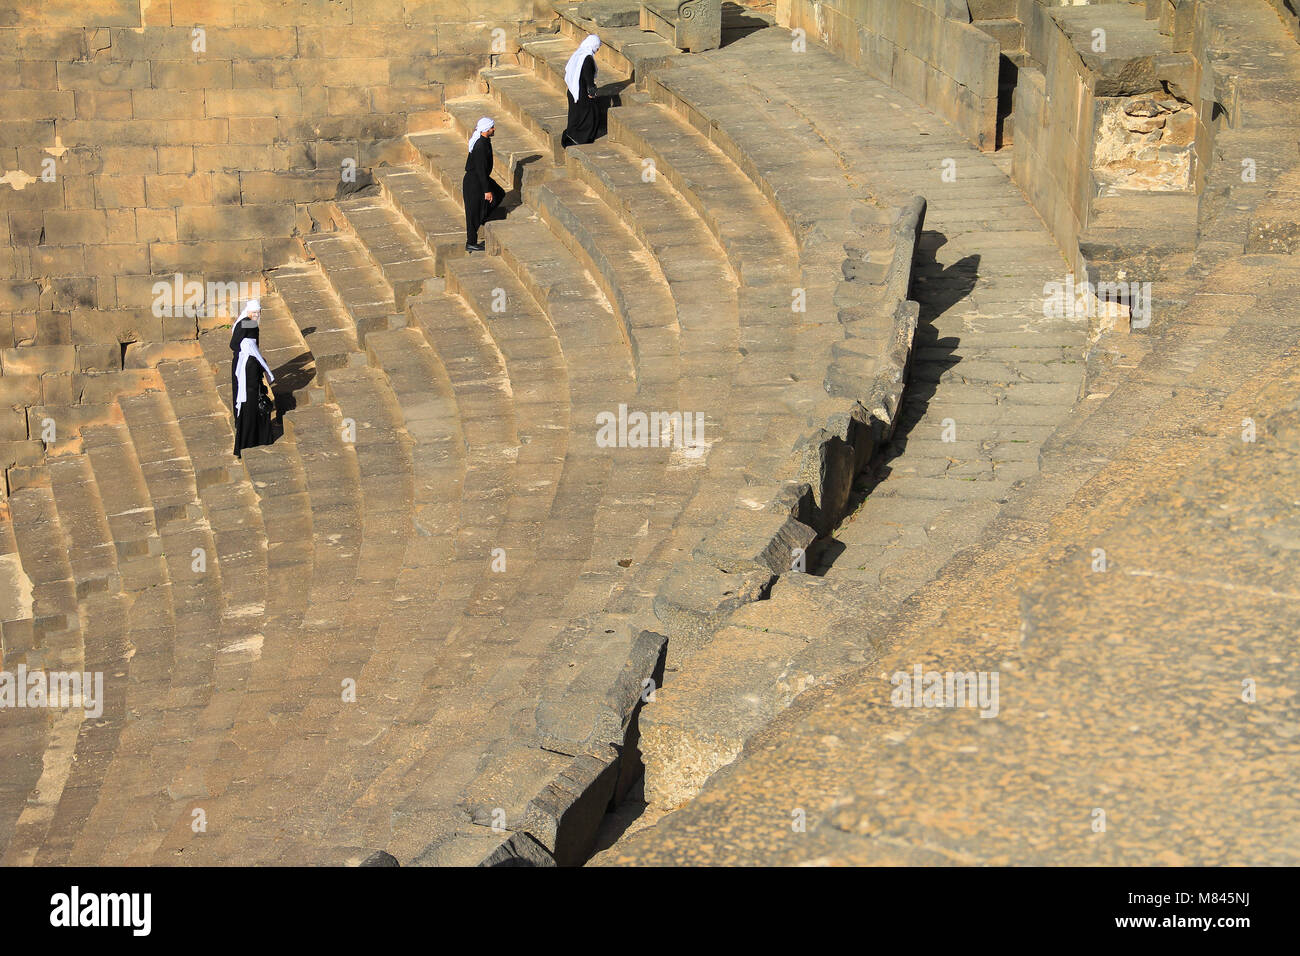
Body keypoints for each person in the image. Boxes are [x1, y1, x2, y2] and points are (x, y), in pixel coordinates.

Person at [229, 300, 275, 457]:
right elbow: (237, 343)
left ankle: (238, 421)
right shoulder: (250, 325)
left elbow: (235, 344)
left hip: (241, 362)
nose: (257, 315)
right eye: (255, 312)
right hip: (246, 364)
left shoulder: (243, 322)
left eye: (258, 312)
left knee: (238, 395)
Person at [463, 116, 503, 252]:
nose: (494, 129)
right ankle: (471, 242)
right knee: (472, 212)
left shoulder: (485, 141)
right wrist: (486, 190)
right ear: (486, 130)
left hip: (480, 177)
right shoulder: (480, 145)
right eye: (492, 127)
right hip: (474, 181)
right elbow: (480, 169)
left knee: (499, 193)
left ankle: (483, 217)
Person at [561, 34, 602, 147]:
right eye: (597, 47)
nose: (597, 49)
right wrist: (591, 91)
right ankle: (581, 138)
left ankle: (571, 136)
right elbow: (588, 77)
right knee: (590, 114)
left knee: (575, 116)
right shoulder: (587, 59)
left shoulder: (579, 53)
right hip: (581, 92)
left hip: (573, 90)